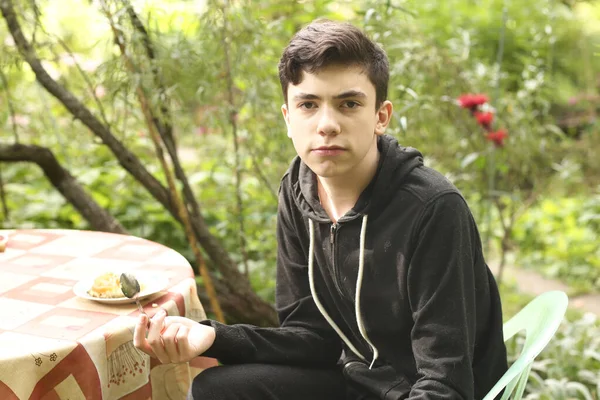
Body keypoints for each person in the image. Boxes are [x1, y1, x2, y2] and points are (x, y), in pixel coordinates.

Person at [133, 19, 508, 400]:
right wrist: (214, 336)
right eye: (309, 105)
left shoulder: (433, 209)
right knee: (216, 389)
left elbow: (446, 381)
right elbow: (314, 337)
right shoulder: (297, 192)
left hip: (428, 392)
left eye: (348, 104)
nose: (327, 124)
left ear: (381, 116)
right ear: (288, 118)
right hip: (358, 380)